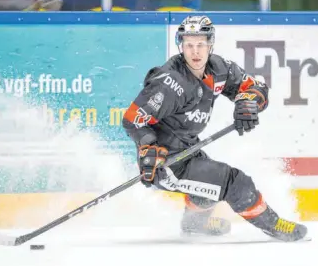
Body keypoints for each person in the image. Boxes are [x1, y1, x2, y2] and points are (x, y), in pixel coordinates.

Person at [122, 15, 308, 242]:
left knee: (208, 190)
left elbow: (253, 86)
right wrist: (148, 148)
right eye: (189, 45)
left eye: (201, 44)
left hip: (188, 148)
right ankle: (274, 225)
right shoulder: (170, 83)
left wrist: (249, 101)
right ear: (181, 45)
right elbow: (133, 119)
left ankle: (194, 224)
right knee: (234, 182)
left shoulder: (218, 69)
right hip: (166, 163)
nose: (195, 52)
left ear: (211, 44)